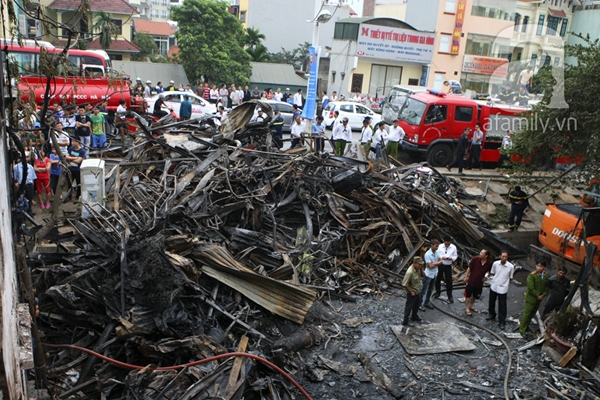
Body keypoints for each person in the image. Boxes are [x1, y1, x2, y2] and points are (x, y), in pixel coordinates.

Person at [486, 251, 515, 330]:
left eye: (506, 257)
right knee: (491, 301)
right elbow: (492, 273)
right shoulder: (495, 264)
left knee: (502, 305)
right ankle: (492, 314)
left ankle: (502, 321)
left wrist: (506, 284)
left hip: (503, 287)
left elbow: (511, 277)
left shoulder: (510, 267)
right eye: (503, 256)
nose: (504, 258)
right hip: (494, 285)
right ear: (500, 256)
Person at [520, 261, 549, 338]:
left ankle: (526, 326)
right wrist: (537, 295)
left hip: (538, 300)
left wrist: (543, 295)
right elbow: (531, 287)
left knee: (532, 314)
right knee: (527, 314)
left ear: (544, 267)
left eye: (541, 266)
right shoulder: (532, 275)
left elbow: (546, 287)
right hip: (531, 298)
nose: (539, 268)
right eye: (538, 266)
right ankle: (522, 330)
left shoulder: (545, 276)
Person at [464, 249, 493, 316]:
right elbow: (469, 268)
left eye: (482, 253)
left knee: (475, 295)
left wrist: (486, 277)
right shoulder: (475, 259)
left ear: (486, 256)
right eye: (481, 252)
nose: (480, 254)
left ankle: (471, 305)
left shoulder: (489, 263)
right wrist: (466, 277)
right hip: (471, 280)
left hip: (479, 283)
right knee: (468, 295)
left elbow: (491, 272)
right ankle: (467, 307)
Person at [402, 256, 425, 327]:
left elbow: (423, 275)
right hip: (412, 293)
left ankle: (414, 316)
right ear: (414, 263)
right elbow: (404, 284)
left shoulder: (418, 269)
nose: (420, 266)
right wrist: (411, 292)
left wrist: (421, 269)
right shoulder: (410, 272)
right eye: (419, 264)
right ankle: (405, 321)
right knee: (409, 307)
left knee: (416, 305)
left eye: (421, 264)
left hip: (417, 291)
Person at [434, 236, 458, 303]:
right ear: (444, 242)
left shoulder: (453, 247)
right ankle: (437, 292)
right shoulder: (440, 246)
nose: (447, 245)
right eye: (446, 244)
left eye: (448, 244)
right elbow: (436, 254)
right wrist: (442, 257)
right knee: (438, 279)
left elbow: (455, 256)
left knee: (449, 281)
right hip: (440, 265)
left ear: (450, 242)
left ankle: (449, 295)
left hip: (448, 265)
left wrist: (451, 258)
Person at [421, 239, 442, 310]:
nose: (437, 247)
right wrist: (437, 263)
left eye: (438, 246)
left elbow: (441, 261)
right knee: (423, 290)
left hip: (435, 274)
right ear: (432, 245)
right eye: (436, 246)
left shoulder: (437, 252)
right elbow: (430, 266)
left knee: (430, 290)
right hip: (428, 275)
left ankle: (426, 302)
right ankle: (419, 304)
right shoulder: (427, 254)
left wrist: (434, 263)